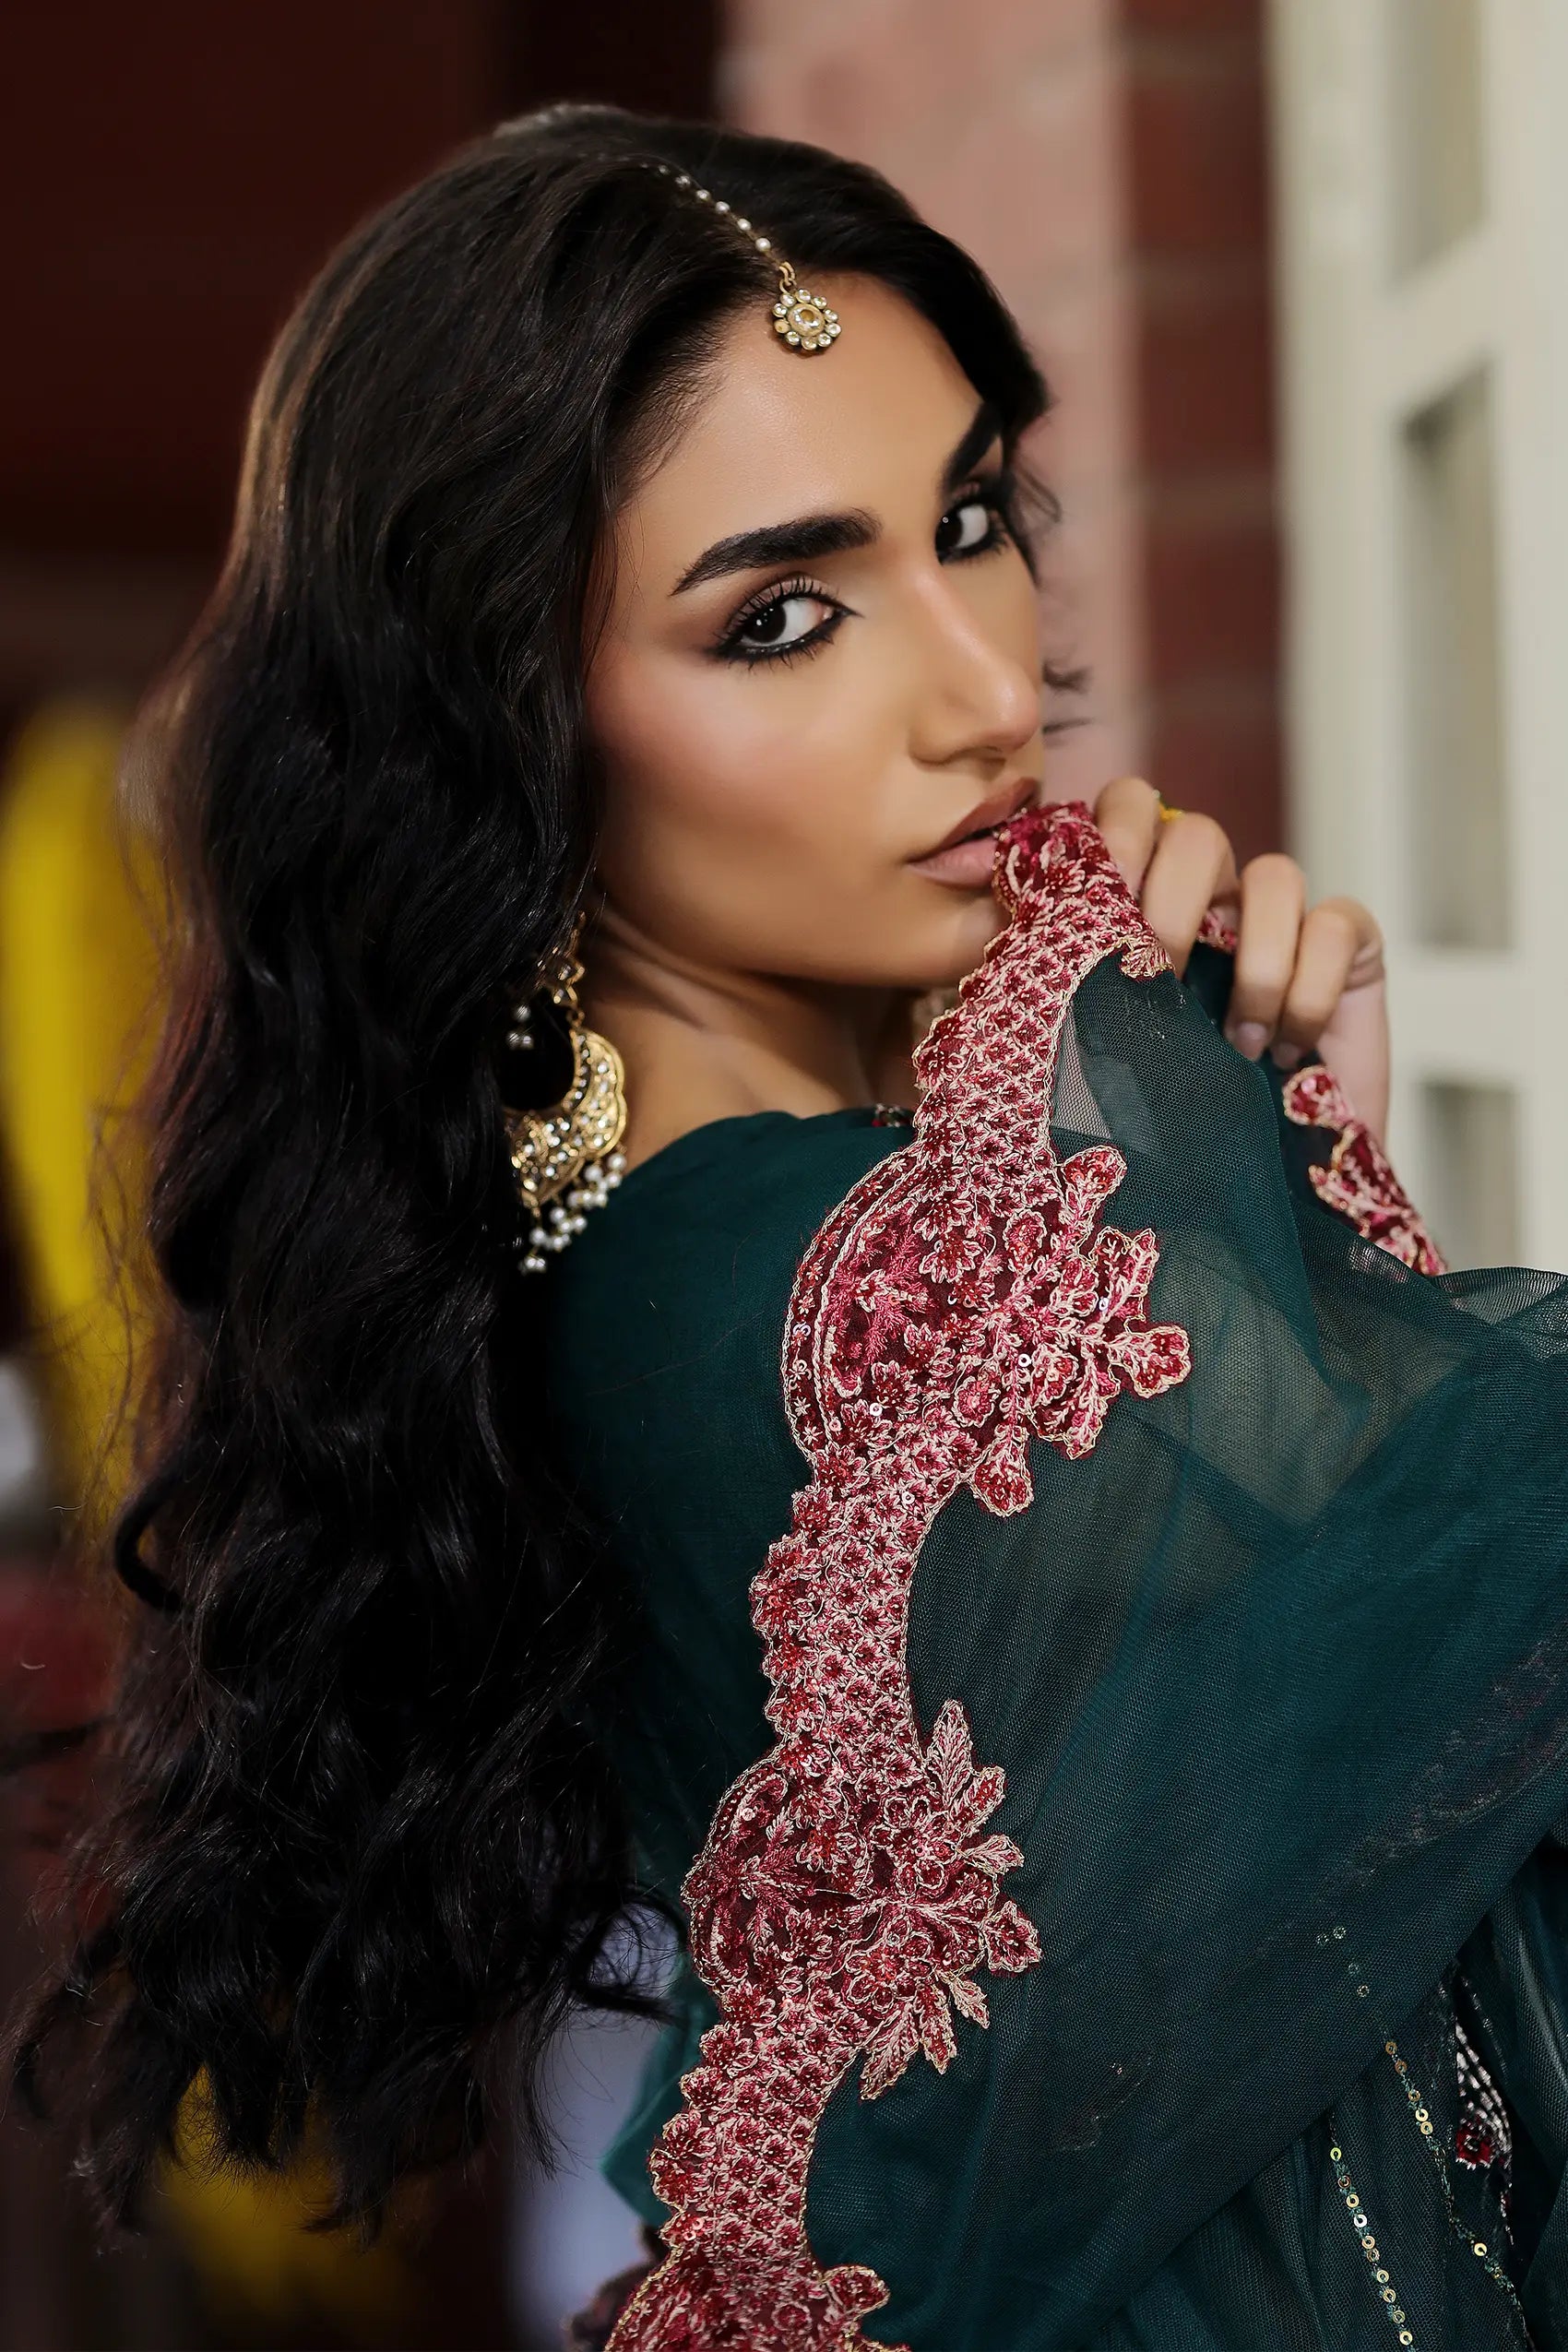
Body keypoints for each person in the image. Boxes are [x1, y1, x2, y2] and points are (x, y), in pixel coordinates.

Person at [12, 104, 1568, 2352]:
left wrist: (1237, 1153)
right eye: (784, 616)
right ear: (509, 723)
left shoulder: (607, 1253)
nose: (982, 691)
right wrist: (1224, 1177)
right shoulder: (814, 1293)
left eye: (971, 521)